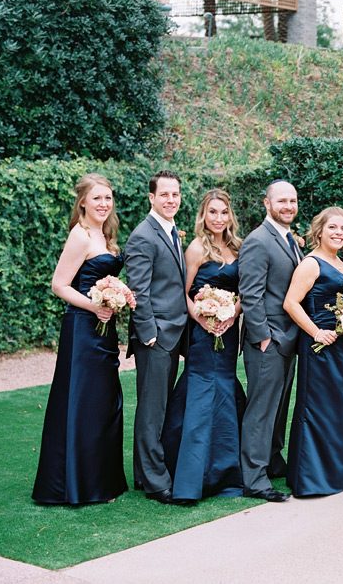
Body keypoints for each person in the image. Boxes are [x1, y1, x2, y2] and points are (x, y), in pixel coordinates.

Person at [33, 174, 129, 504]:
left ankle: (101, 482)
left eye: (108, 198)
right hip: (83, 329)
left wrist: (118, 296)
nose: (104, 204)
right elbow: (59, 285)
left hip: (103, 329)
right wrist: (95, 306)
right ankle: (75, 485)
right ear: (83, 202)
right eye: (97, 198)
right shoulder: (80, 235)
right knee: (82, 402)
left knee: (103, 404)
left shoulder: (106, 233)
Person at [161, 189, 245, 502]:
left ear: (230, 216)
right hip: (202, 332)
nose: (219, 218)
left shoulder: (238, 248)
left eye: (224, 212)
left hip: (229, 329)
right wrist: (203, 319)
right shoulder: (197, 247)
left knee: (224, 388)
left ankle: (226, 471)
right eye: (213, 212)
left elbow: (245, 293)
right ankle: (191, 474)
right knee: (200, 390)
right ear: (203, 215)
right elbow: (182, 292)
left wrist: (231, 314)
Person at [283, 207, 343, 497]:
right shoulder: (311, 263)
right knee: (318, 408)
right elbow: (291, 303)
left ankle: (337, 468)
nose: (339, 233)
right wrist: (316, 332)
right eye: (333, 228)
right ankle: (313, 476)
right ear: (319, 232)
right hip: (320, 345)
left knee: (342, 408)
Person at [125, 170, 189, 505]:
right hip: (157, 337)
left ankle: (142, 473)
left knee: (159, 407)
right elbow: (139, 290)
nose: (170, 200)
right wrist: (149, 334)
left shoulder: (171, 230)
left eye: (175, 194)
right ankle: (154, 481)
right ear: (151, 198)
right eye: (164, 195)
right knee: (152, 410)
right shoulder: (143, 236)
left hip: (175, 332)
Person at [239, 180, 303, 503]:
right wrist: (264, 338)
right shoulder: (258, 242)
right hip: (269, 341)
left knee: (278, 407)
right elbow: (250, 295)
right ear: (267, 204)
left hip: (289, 340)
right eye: (282, 201)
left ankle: (273, 460)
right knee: (261, 410)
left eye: (292, 200)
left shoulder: (290, 240)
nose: (288, 206)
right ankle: (254, 477)